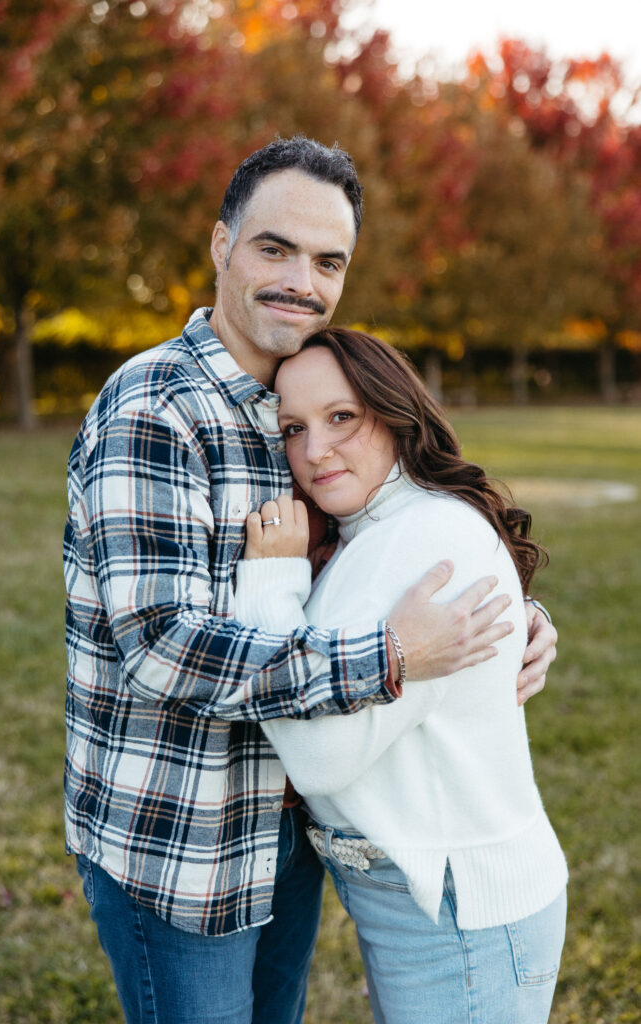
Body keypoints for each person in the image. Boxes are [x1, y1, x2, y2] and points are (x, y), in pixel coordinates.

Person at [64, 135, 558, 1024]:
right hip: (184, 842)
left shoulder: (296, 401)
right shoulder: (155, 408)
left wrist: (505, 614)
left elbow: (388, 541)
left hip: (285, 837)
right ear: (221, 246)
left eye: (327, 260)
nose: (302, 277)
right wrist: (395, 654)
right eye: (273, 248)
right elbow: (164, 648)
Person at [234, 327, 567, 1024]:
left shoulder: (417, 539)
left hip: (458, 916)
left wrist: (268, 584)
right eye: (292, 428)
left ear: (393, 412)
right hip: (436, 902)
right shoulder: (389, 527)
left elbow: (319, 756)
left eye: (341, 417)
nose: (313, 450)